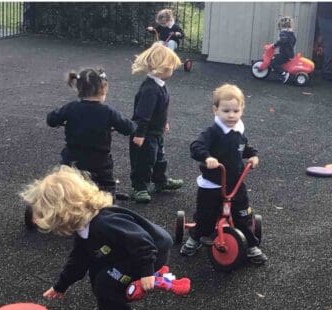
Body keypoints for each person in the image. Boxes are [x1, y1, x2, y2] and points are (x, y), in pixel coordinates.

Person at [21, 165, 173, 310]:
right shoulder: (84, 227)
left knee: (107, 282)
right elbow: (78, 260)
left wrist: (147, 271)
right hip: (126, 252)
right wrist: (61, 285)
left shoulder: (105, 223)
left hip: (149, 253)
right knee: (96, 271)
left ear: (62, 211)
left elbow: (141, 242)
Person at [180, 84, 267, 265]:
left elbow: (244, 148)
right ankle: (195, 238)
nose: (231, 115)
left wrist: (252, 156)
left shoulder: (238, 132)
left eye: (236, 110)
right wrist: (207, 157)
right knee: (206, 216)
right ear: (216, 110)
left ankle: (251, 245)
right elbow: (196, 147)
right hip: (213, 183)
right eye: (226, 110)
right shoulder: (212, 132)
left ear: (242, 110)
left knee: (243, 216)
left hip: (235, 184)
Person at [46, 68, 137, 194]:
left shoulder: (71, 108)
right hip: (99, 161)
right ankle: (106, 205)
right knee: (105, 188)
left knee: (69, 186)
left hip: (73, 158)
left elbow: (51, 119)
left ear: (78, 88)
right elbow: (128, 128)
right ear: (103, 89)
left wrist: (62, 121)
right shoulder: (108, 112)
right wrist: (136, 124)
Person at [129, 42, 185, 203]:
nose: (172, 70)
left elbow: (159, 110)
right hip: (145, 134)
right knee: (144, 162)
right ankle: (138, 187)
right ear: (161, 68)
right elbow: (143, 114)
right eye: (170, 67)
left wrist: (164, 122)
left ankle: (160, 181)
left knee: (159, 158)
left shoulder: (159, 85)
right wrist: (139, 134)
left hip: (155, 132)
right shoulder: (150, 89)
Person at [271, 16, 297, 84]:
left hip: (285, 55)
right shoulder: (291, 34)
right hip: (290, 54)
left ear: (281, 26)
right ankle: (281, 72)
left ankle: (284, 73)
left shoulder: (283, 33)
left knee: (273, 62)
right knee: (275, 57)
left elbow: (282, 41)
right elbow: (294, 41)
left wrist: (274, 45)